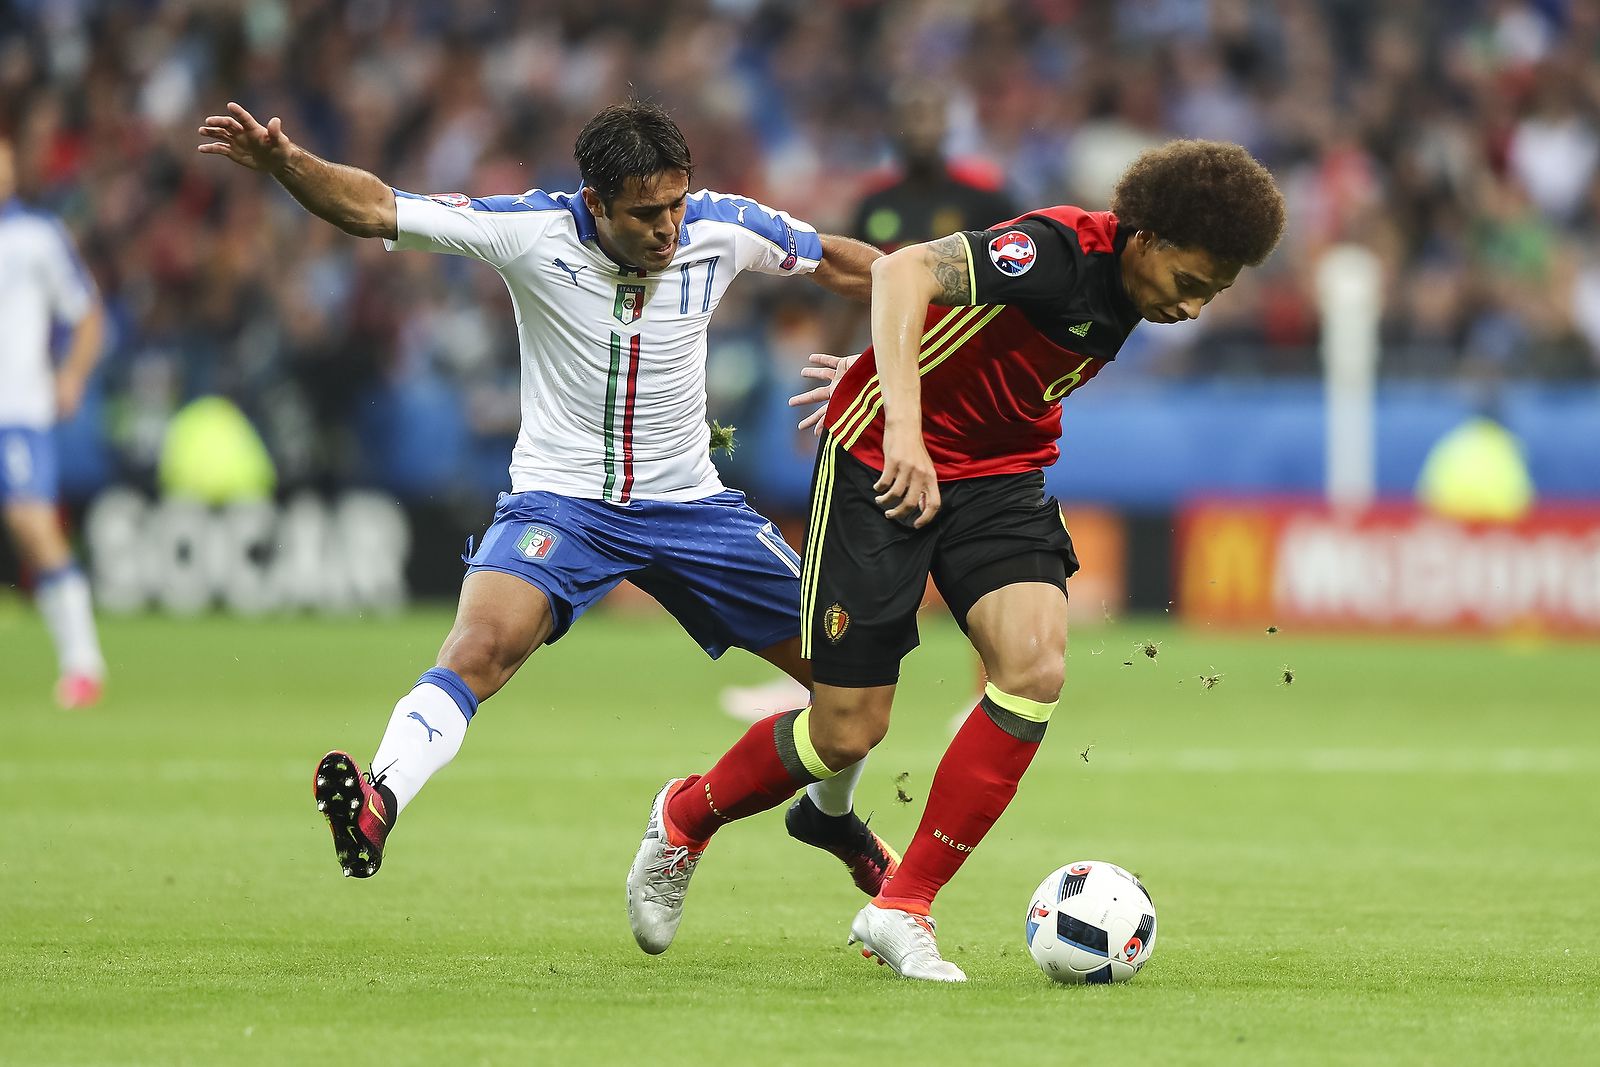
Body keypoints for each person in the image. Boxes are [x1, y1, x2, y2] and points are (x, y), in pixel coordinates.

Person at [196, 100, 902, 896]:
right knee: (478, 649)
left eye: (675, 203)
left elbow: (852, 266)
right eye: (645, 213)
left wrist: (955, 294)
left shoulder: (724, 227)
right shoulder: (530, 232)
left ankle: (829, 816)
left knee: (855, 671)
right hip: (562, 505)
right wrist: (287, 162)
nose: (668, 227)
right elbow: (374, 207)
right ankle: (379, 800)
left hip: (694, 505)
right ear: (595, 202)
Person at [627, 139, 1287, 978]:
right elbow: (904, 274)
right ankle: (684, 817)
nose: (1193, 308)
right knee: (847, 730)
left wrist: (892, 362)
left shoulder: (1137, 291)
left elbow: (962, 340)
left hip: (1000, 477)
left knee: (1035, 669)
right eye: (1190, 283)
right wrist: (897, 410)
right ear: (1146, 238)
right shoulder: (1052, 251)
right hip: (882, 463)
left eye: (1213, 295)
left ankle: (903, 904)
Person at [719, 80, 1017, 726]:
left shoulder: (987, 200)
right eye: (910, 109)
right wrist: (828, 377)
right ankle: (820, 676)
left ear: (950, 122)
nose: (920, 122)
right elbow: (846, 292)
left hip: (963, 394)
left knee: (977, 534)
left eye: (930, 109)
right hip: (885, 392)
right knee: (855, 530)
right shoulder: (875, 204)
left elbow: (1013, 300)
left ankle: (985, 690)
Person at [0, 133, 108, 709]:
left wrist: (72, 375)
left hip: (15, 410)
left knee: (32, 523)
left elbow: (86, 309)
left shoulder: (36, 237)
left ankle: (83, 663)